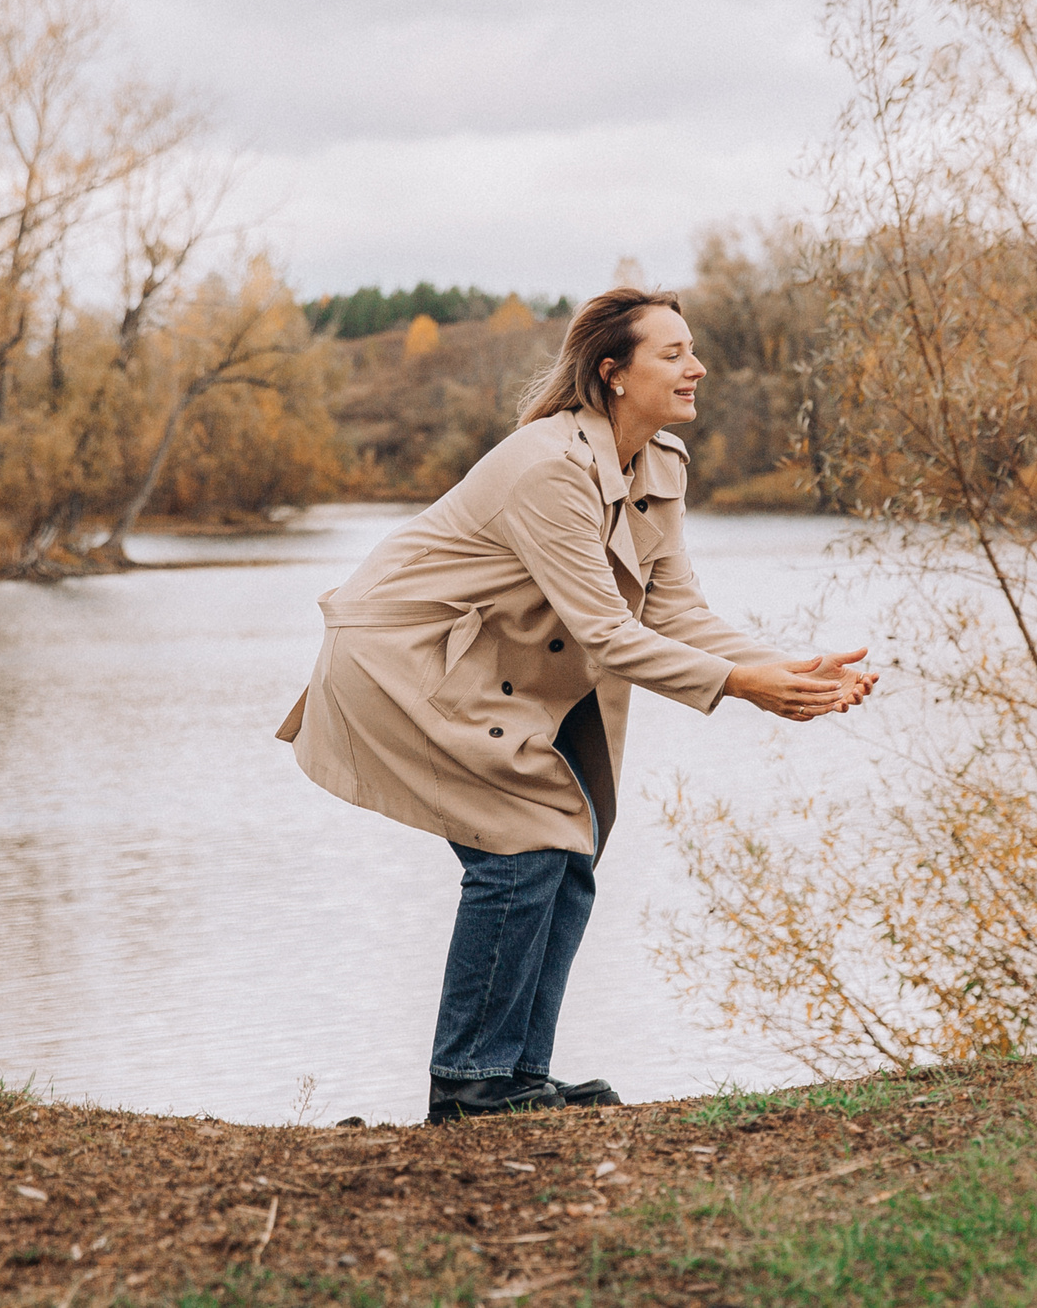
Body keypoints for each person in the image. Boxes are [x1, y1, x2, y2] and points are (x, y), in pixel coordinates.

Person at [276, 287, 876, 1122]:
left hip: (484, 665)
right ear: (613, 372)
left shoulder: (658, 463)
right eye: (673, 353)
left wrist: (790, 667)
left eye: (692, 349)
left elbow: (673, 612)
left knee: (570, 845)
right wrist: (741, 686)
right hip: (401, 661)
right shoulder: (550, 468)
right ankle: (469, 1080)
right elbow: (607, 632)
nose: (697, 366)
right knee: (522, 842)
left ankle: (516, 1074)